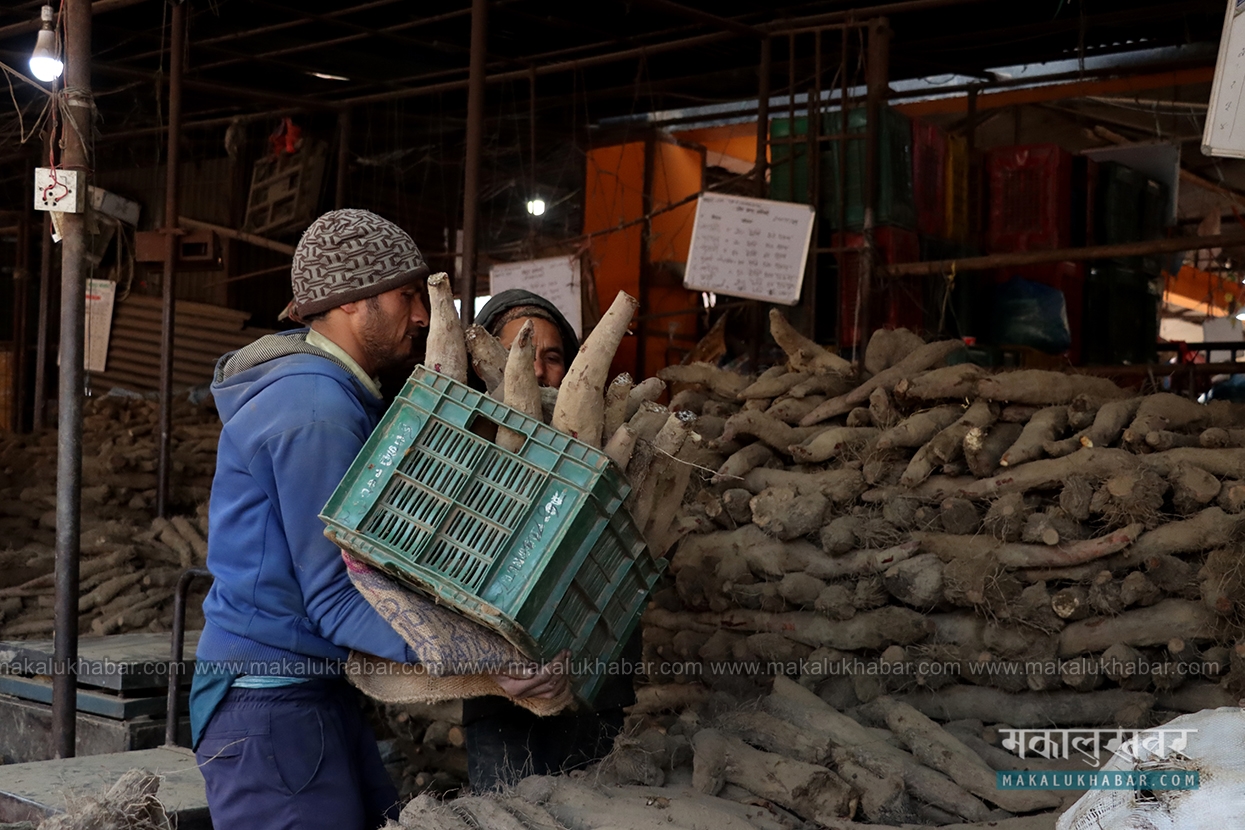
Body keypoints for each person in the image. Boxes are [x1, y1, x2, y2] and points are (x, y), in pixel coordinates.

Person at [190, 211, 566, 830]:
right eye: (406, 296)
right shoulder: (315, 410)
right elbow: (336, 598)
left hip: (308, 697)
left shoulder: (336, 394)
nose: (421, 315)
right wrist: (485, 660)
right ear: (350, 302)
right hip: (270, 708)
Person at [463, 289, 641, 791]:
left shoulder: (613, 446)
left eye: (554, 357)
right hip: (503, 696)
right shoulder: (467, 447)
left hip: (594, 688)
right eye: (522, 353)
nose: (540, 373)